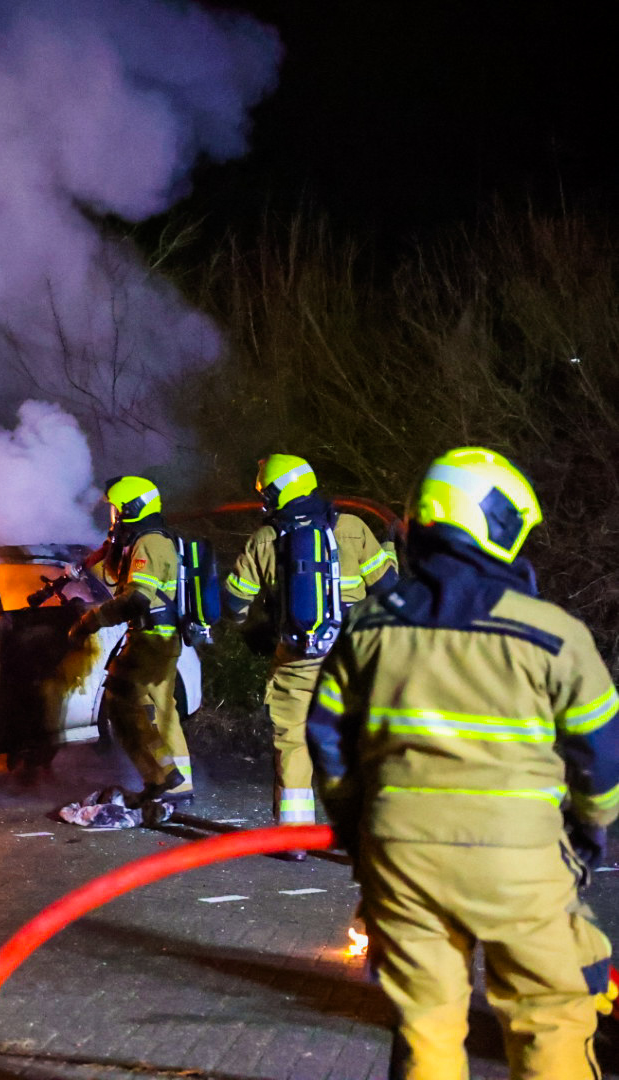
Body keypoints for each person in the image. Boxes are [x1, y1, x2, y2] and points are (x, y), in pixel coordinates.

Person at [306, 447, 617, 1078]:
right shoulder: (553, 633)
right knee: (550, 1017)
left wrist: (357, 830)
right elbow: (601, 758)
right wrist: (589, 831)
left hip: (402, 854)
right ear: (497, 528)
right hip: (520, 857)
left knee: (426, 1028)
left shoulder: (368, 629)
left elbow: (328, 744)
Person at [223, 454, 397, 837]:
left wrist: (247, 628)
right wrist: (391, 551)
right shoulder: (352, 527)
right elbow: (388, 589)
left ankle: (295, 834)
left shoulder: (265, 539)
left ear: (279, 491)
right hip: (354, 657)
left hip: (297, 659)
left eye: (266, 493)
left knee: (293, 740)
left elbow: (234, 602)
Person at [72, 475, 191, 811]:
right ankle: (172, 782)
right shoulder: (141, 539)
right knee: (160, 711)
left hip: (154, 637)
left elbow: (136, 598)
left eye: (116, 509)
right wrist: (107, 550)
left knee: (122, 700)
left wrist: (91, 620)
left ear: (130, 508)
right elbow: (113, 582)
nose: (113, 515)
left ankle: (164, 775)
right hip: (154, 636)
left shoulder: (151, 543)